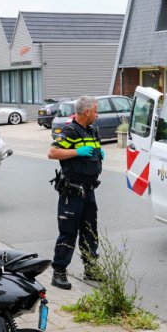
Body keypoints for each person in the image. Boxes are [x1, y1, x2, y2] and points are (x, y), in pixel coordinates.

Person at [47, 96, 105, 290]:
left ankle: (91, 269)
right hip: (72, 191)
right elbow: (52, 153)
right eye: (96, 111)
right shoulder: (70, 131)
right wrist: (76, 152)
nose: (97, 115)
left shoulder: (92, 130)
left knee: (90, 232)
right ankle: (59, 273)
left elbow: (94, 152)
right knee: (68, 233)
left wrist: (99, 153)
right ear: (86, 112)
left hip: (89, 191)